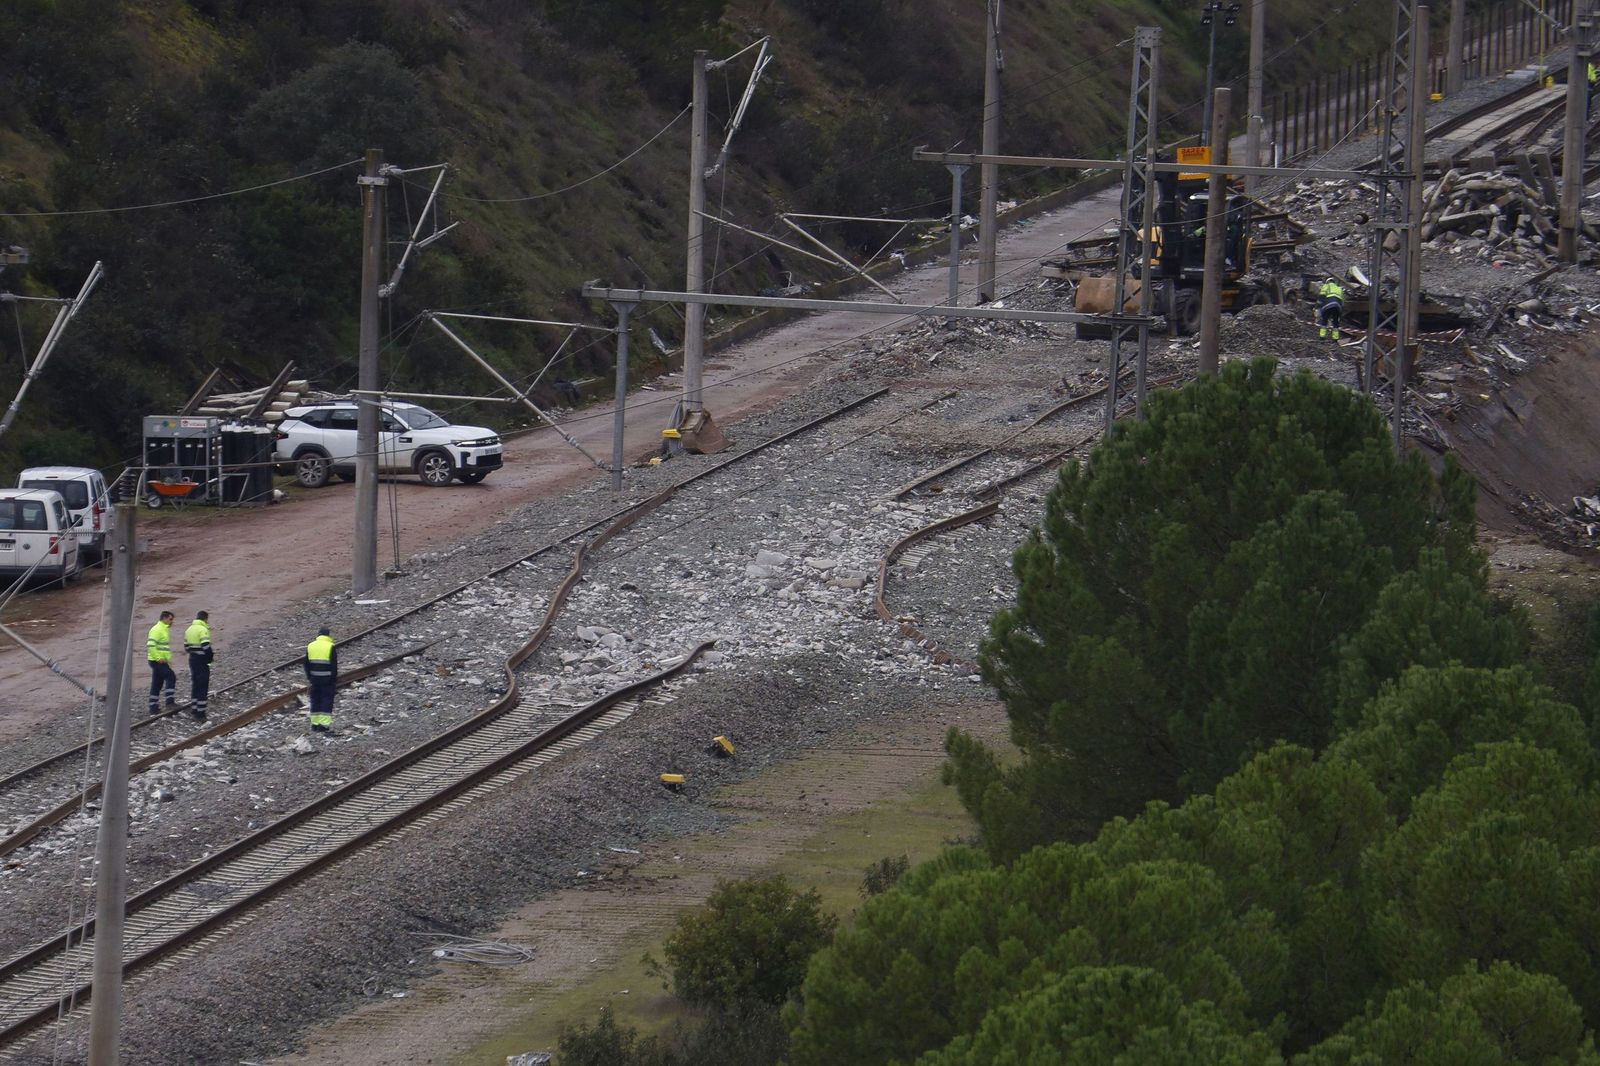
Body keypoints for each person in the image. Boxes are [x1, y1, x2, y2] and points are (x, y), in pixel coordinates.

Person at [303, 625, 337, 733]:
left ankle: (315, 724)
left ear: (318, 635)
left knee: (315, 700)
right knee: (326, 701)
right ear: (328, 635)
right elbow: (334, 666)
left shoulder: (310, 646)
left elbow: (306, 664)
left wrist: (309, 677)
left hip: (314, 680)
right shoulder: (330, 646)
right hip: (327, 680)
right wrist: (333, 679)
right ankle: (324, 726)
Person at [183, 610, 214, 722]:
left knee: (195, 684)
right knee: (202, 686)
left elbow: (186, 647)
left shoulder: (189, 630)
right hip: (202, 661)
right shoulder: (203, 629)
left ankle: (195, 709)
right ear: (205, 619)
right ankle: (200, 714)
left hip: (192, 660)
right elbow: (206, 646)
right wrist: (210, 658)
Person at [147, 610, 177, 714]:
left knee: (157, 683)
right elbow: (151, 645)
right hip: (157, 661)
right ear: (164, 618)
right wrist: (159, 658)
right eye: (170, 619)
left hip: (159, 661)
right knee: (171, 676)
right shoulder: (157, 629)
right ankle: (170, 702)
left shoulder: (164, 629)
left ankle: (153, 707)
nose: (171, 621)